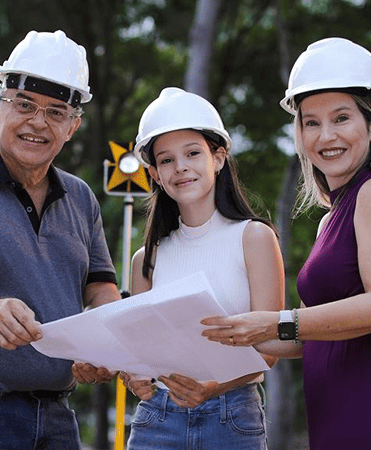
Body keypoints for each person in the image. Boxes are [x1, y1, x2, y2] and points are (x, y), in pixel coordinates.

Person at [201, 37, 371, 449]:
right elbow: (307, 333)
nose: (326, 136)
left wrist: (275, 321)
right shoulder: (331, 218)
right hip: (336, 413)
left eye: (341, 118)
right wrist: (224, 329)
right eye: (311, 123)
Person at [0, 30, 121, 450]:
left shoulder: (81, 197)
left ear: (72, 127)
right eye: (24, 104)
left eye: (56, 112)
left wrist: (103, 346)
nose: (38, 122)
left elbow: (102, 291)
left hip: (59, 414)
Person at [119, 87, 286, 449]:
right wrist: (136, 377)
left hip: (232, 416)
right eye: (166, 160)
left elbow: (269, 349)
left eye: (193, 153)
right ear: (155, 174)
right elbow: (141, 353)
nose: (180, 167)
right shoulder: (145, 259)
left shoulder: (254, 237)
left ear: (219, 158)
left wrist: (212, 387)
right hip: (157, 418)